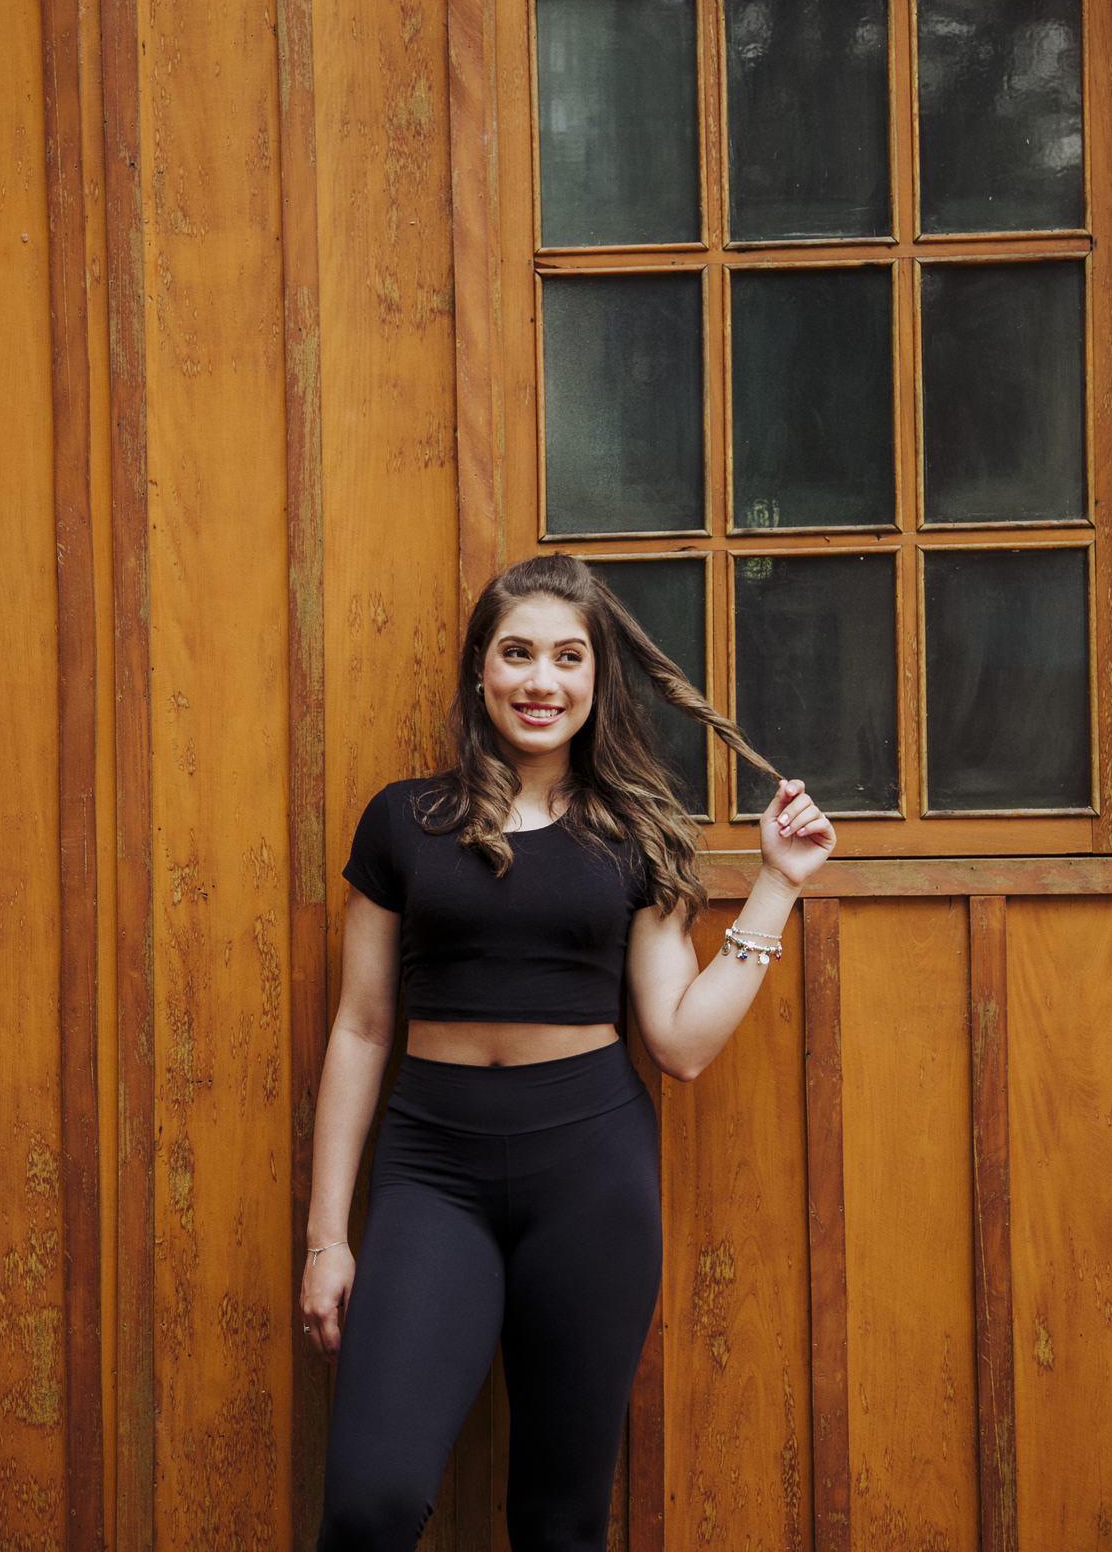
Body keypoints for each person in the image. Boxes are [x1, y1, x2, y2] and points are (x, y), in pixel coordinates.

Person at [302, 554, 835, 1551]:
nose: (540, 680)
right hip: (433, 1173)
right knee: (370, 1504)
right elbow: (362, 1029)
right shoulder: (402, 821)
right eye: (517, 653)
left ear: (596, 679)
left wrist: (777, 885)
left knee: (560, 1523)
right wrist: (328, 1237)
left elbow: (679, 1044)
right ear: (480, 669)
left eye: (567, 657)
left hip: (590, 1174)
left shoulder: (637, 831)